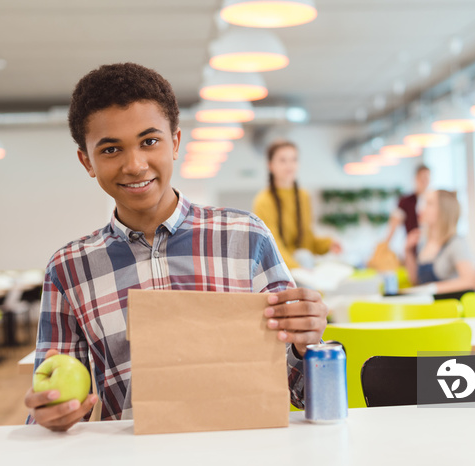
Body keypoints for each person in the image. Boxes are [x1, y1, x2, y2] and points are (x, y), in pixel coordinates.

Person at [23, 63, 328, 432]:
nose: (135, 165)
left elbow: (301, 392)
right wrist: (51, 416)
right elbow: (54, 408)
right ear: (86, 160)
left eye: (149, 141)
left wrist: (305, 345)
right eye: (110, 149)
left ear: (176, 143)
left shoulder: (246, 238)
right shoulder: (68, 269)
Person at [253, 140, 342, 269]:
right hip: (280, 268)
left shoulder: (303, 196)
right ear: (271, 165)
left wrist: (328, 244)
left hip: (304, 265)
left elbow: (307, 239)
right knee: (303, 257)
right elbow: (272, 245)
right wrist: (298, 269)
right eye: (283, 160)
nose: (289, 165)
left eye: (293, 159)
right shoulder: (264, 200)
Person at [403, 190, 475, 294]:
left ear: (443, 210)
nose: (421, 208)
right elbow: (415, 280)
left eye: (429, 204)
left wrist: (432, 289)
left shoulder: (455, 243)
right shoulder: (423, 243)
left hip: (448, 307)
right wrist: (408, 251)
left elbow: (471, 281)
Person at [384, 164, 430, 244]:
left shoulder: (432, 201)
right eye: (422, 179)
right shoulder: (406, 201)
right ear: (416, 179)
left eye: (427, 179)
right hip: (411, 244)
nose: (425, 182)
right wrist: (385, 244)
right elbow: (394, 223)